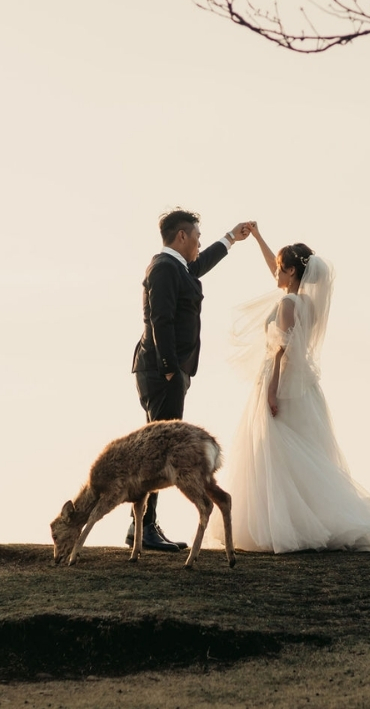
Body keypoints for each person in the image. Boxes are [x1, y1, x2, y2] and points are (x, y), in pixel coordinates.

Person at [215, 224, 370, 553]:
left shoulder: (287, 305)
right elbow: (280, 275)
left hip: (281, 383)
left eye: (279, 267)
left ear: (289, 270)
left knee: (278, 454)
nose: (274, 270)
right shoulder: (307, 304)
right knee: (301, 455)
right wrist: (258, 238)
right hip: (305, 388)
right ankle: (307, 520)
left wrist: (271, 391)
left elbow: (280, 352)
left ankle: (287, 527)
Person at [130, 209, 253, 551]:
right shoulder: (164, 268)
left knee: (158, 448)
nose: (199, 244)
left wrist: (230, 238)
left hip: (165, 371)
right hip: (160, 371)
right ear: (181, 236)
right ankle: (143, 529)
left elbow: (198, 267)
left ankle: (143, 527)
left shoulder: (177, 267)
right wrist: (170, 368)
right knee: (158, 450)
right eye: (197, 238)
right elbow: (161, 319)